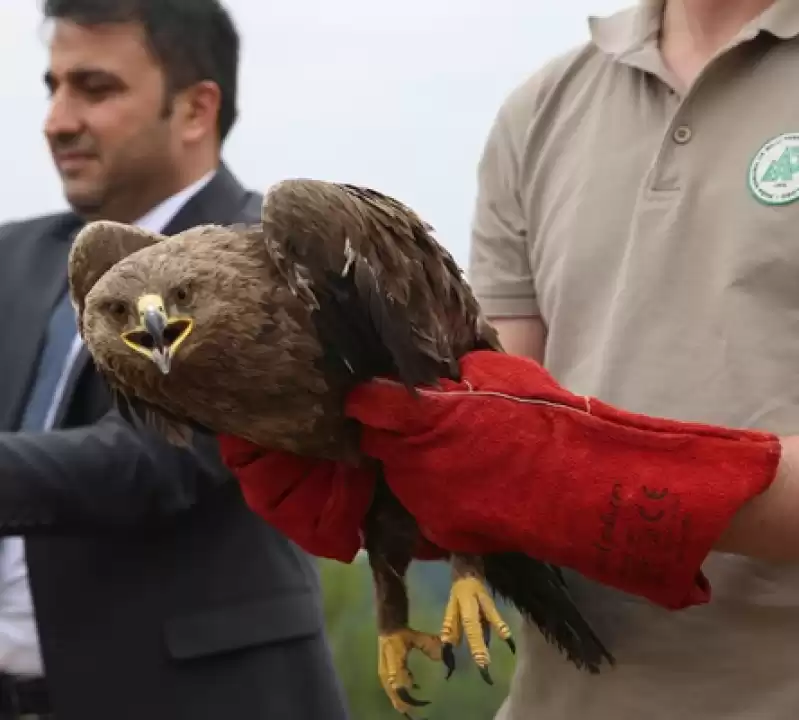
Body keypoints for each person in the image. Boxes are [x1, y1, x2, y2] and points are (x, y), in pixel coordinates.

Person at [217, 0, 799, 719]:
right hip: (562, 695)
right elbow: (488, 406)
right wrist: (370, 461)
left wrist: (593, 484)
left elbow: (525, 459)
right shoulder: (542, 109)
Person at [0, 1, 349, 718]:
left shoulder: (268, 262)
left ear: (195, 109)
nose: (57, 120)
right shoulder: (14, 256)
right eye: (53, 86)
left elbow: (158, 458)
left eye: (94, 89)